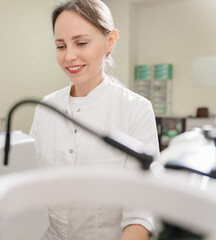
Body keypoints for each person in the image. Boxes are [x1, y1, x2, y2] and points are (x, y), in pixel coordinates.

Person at [29, 0, 160, 239]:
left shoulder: (136, 110)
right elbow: (29, 191)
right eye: (61, 46)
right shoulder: (45, 108)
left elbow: (140, 214)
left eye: (81, 43)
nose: (69, 56)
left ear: (110, 41)